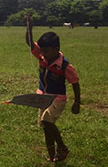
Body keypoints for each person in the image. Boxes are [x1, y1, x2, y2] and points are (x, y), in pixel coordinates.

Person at [25, 14, 81, 162]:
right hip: (42, 97)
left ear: (57, 49)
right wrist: (29, 27)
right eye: (42, 51)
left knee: (47, 120)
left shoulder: (65, 66)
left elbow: (75, 83)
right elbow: (30, 43)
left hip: (57, 99)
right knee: (46, 127)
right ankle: (52, 156)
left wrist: (76, 102)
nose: (43, 54)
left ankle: (62, 147)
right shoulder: (43, 57)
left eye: (46, 51)